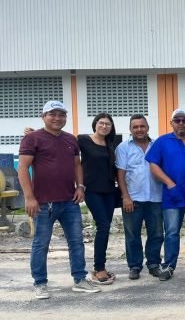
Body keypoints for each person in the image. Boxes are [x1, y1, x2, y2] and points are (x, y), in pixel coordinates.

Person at [18, 100, 100, 299]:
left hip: (69, 201)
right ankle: (40, 283)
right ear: (43, 116)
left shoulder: (70, 139)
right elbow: (22, 168)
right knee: (41, 244)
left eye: (61, 114)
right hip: (43, 203)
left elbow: (77, 165)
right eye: (52, 114)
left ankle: (80, 279)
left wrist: (80, 187)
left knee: (76, 242)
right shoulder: (32, 139)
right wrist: (29, 198)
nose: (57, 118)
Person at [146, 109, 185, 281]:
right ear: (171, 123)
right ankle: (169, 266)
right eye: (177, 120)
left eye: (184, 120)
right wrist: (169, 183)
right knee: (172, 232)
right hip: (172, 196)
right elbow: (153, 166)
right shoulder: (162, 142)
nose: (181, 123)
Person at [116, 114, 164, 280]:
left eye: (142, 126)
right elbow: (120, 175)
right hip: (133, 199)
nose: (139, 129)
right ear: (130, 129)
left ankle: (153, 264)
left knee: (157, 234)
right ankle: (134, 266)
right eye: (135, 127)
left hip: (156, 198)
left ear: (148, 127)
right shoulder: (123, 148)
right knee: (132, 235)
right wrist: (125, 197)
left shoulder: (157, 145)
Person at [78, 113, 118, 285]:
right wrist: (35, 133)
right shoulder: (83, 140)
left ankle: (101, 266)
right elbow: (61, 143)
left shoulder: (111, 144)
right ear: (95, 124)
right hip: (92, 190)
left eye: (107, 124)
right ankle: (99, 268)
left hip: (109, 191)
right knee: (103, 225)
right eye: (101, 123)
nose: (104, 126)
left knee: (105, 227)